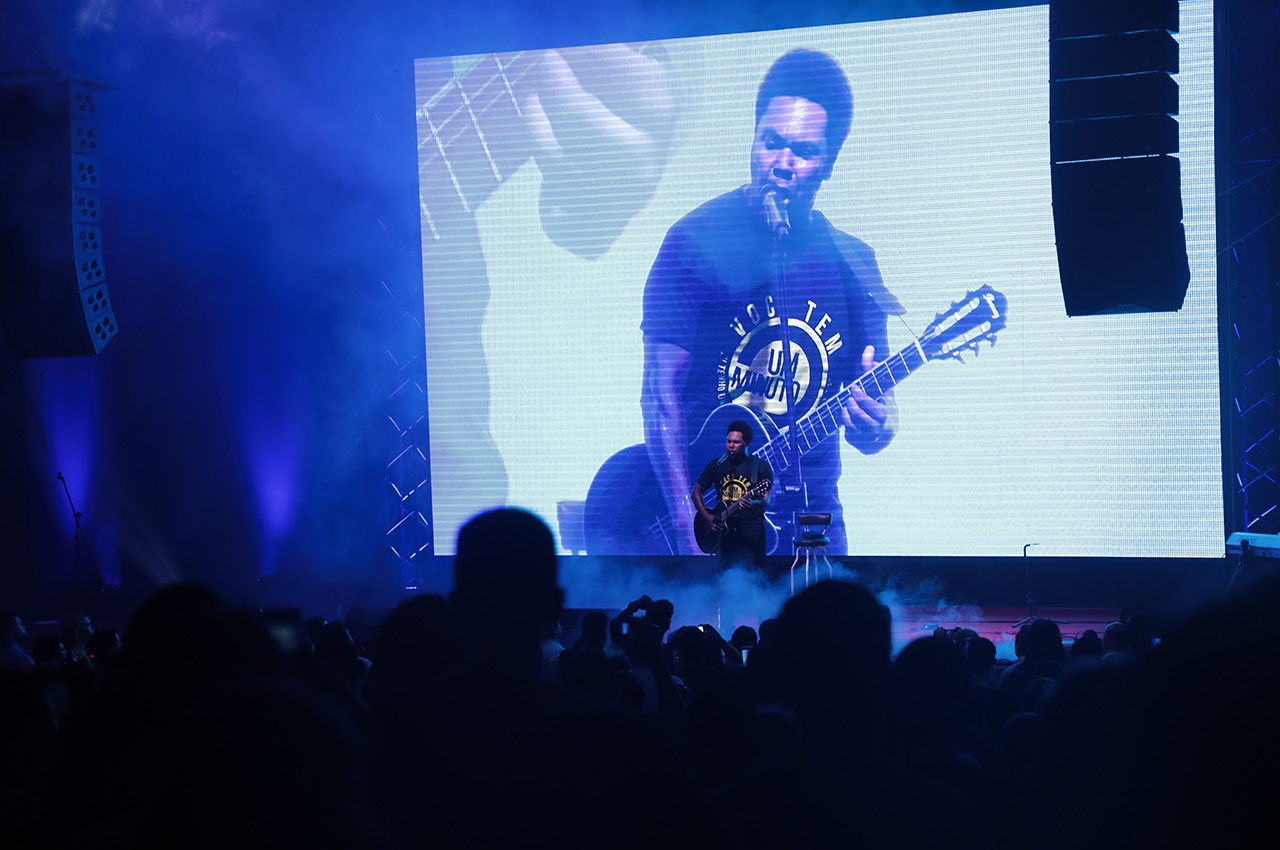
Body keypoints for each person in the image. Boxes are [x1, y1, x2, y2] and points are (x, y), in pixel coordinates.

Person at [641, 47, 902, 556]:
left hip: (814, 518)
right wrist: (684, 523)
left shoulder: (855, 263)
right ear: (754, 137)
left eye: (803, 152)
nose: (782, 164)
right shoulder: (694, 241)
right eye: (771, 143)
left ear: (829, 164)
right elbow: (659, 397)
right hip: (711, 516)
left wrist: (878, 422)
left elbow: (876, 423)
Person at [692, 420, 774, 566]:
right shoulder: (718, 465)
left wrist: (752, 503)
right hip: (725, 537)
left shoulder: (760, 466)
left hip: (752, 534)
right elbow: (696, 492)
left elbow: (766, 500)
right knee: (724, 578)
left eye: (736, 442)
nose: (731, 445)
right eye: (728, 441)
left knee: (756, 577)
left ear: (747, 444)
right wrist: (707, 517)